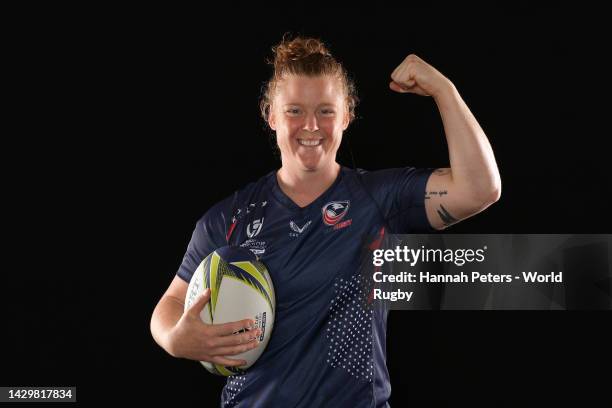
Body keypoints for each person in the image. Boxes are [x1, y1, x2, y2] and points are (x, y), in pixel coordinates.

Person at [150, 35, 501, 407]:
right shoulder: (230, 217)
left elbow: (480, 189)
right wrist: (174, 339)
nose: (311, 126)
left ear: (347, 114)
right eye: (295, 110)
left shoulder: (378, 198)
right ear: (271, 115)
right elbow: (170, 302)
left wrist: (443, 90)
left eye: (326, 111)